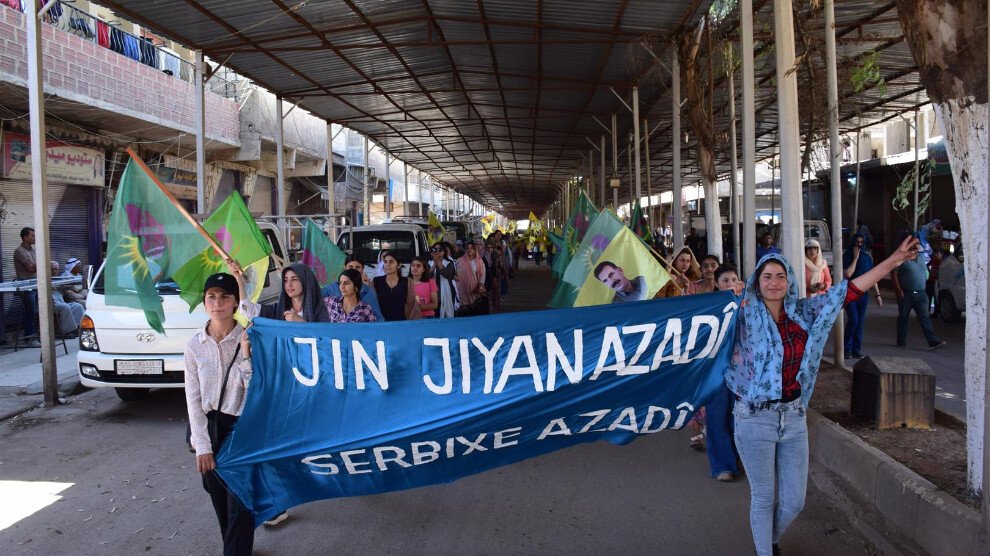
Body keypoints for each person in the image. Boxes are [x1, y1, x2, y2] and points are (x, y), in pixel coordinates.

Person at [727, 236, 921, 556]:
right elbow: (700, 325)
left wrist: (894, 260)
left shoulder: (805, 312)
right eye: (767, 276)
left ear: (790, 281)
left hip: (793, 417)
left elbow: (848, 291)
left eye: (780, 276)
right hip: (753, 416)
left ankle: (768, 539)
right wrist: (728, 298)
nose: (774, 282)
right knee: (763, 497)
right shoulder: (740, 316)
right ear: (756, 282)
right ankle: (766, 550)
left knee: (794, 502)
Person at [184, 272, 255, 556]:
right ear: (204, 302)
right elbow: (193, 398)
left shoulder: (249, 337)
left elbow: (256, 391)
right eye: (211, 297)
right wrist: (202, 445)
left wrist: (247, 354)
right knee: (220, 501)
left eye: (225, 296)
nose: (218, 303)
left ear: (235, 302)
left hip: (241, 428)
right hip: (210, 429)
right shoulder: (194, 346)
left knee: (240, 502)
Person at [706, 264, 742, 482]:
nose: (730, 284)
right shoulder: (709, 308)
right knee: (717, 418)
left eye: (734, 279)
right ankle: (722, 466)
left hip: (743, 373)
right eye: (725, 281)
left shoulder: (747, 303)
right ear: (717, 285)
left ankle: (739, 458)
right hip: (715, 373)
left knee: (740, 418)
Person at [891, 244, 946, 350]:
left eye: (916, 248)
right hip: (906, 293)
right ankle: (901, 340)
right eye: (913, 248)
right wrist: (898, 289)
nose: (915, 250)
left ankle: (932, 341)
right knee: (903, 317)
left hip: (921, 294)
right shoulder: (902, 259)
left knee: (924, 317)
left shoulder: (920, 258)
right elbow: (894, 274)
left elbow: (925, 271)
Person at [13, 227, 59, 347]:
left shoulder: (33, 251)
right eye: (32, 236)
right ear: (25, 237)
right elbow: (30, 267)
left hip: (36, 284)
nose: (34, 238)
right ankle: (31, 338)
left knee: (44, 308)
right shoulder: (20, 251)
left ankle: (43, 335)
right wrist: (47, 263)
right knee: (31, 310)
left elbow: (38, 265)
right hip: (26, 287)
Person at [842, 233, 881, 358]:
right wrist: (855, 258)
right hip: (850, 293)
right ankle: (846, 348)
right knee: (854, 319)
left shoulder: (867, 257)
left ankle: (856, 349)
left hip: (863, 294)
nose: (859, 245)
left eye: (861, 242)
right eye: (857, 242)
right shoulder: (847, 255)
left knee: (860, 322)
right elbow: (848, 274)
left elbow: (872, 276)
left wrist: (878, 294)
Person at [320, 256, 384, 322]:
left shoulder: (368, 293)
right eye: (350, 267)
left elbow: (378, 320)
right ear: (344, 267)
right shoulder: (333, 290)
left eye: (357, 267)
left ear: (363, 269)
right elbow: (316, 297)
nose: (353, 270)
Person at [372, 251, 419, 321]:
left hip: (402, 323)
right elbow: (371, 304)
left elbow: (412, 305)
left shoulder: (407, 281)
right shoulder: (376, 281)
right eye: (385, 262)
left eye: (391, 262)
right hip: (381, 323)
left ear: (399, 265)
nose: (387, 265)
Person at [454, 240, 487, 316]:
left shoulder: (479, 262)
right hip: (462, 292)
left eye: (472, 248)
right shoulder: (459, 261)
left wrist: (481, 285)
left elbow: (482, 276)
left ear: (475, 249)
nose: (470, 249)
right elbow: (456, 274)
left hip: (475, 292)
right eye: (468, 248)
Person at [430, 243, 458, 318]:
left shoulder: (449, 263)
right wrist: (434, 264)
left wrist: (438, 261)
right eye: (435, 249)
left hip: (447, 292)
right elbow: (427, 276)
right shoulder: (429, 263)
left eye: (440, 249)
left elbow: (447, 275)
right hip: (432, 294)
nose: (437, 251)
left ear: (444, 252)